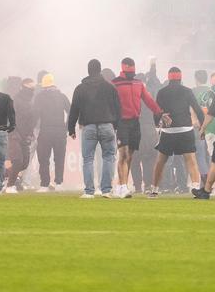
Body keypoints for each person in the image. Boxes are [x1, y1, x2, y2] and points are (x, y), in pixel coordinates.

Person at [144, 66, 202, 198]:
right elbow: (197, 110)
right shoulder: (187, 91)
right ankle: (195, 187)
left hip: (168, 131)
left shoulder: (162, 92)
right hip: (185, 130)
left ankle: (154, 189)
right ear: (180, 78)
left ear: (168, 78)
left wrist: (157, 127)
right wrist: (203, 127)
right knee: (191, 160)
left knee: (160, 161)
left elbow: (157, 112)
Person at [68, 59, 121, 199]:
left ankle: (89, 191)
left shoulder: (80, 88)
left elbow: (74, 110)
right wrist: (116, 127)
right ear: (100, 69)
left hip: (88, 126)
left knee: (88, 159)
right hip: (107, 125)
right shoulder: (110, 87)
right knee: (109, 157)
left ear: (88, 70)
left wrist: (71, 128)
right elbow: (118, 109)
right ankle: (106, 190)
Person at [111, 58, 163, 199]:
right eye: (130, 68)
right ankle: (122, 187)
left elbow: (149, 100)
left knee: (131, 156)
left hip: (135, 123)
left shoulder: (138, 84)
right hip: (122, 122)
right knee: (123, 155)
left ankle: (122, 186)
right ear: (124, 68)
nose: (131, 71)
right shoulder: (115, 84)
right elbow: (108, 101)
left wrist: (160, 112)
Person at [33, 74, 69, 193]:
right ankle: (59, 183)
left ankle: (44, 184)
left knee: (43, 158)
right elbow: (71, 112)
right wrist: (67, 127)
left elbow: (35, 115)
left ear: (43, 86)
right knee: (59, 158)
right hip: (60, 131)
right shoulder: (62, 96)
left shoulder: (40, 97)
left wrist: (31, 129)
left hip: (45, 131)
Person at [4, 78, 37, 193]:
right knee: (17, 161)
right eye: (30, 87)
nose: (32, 89)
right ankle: (9, 186)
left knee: (24, 163)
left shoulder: (31, 102)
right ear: (24, 87)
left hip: (25, 136)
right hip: (14, 134)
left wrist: (30, 133)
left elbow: (31, 120)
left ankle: (4, 174)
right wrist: (13, 132)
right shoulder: (16, 100)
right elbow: (11, 117)